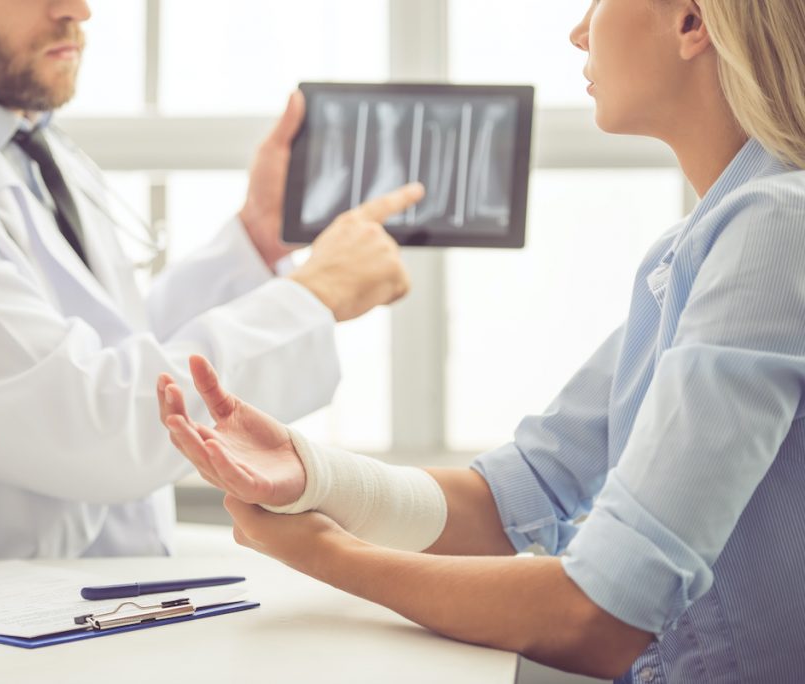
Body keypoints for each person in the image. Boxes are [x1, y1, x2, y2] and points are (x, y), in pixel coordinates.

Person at [157, 0, 805, 681]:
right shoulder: (694, 252)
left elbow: (601, 616)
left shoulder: (777, 231)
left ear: (691, 22)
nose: (579, 30)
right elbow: (519, 492)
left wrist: (324, 554)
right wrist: (311, 474)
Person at [0, 0, 424, 560]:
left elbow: (108, 353)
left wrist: (257, 239)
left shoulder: (24, 144)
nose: (79, 9)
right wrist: (312, 297)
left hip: (78, 603)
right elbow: (93, 425)